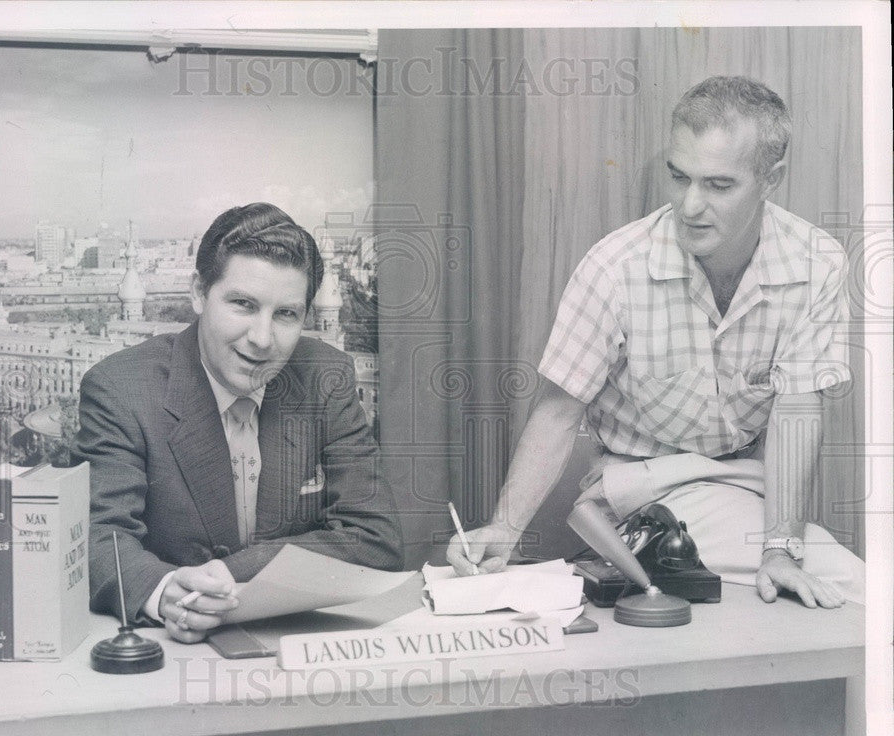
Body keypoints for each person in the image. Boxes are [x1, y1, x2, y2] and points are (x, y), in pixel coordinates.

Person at [447, 76, 865, 608]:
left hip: (738, 482)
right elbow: (558, 412)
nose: (691, 205)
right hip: (634, 488)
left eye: (718, 185)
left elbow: (796, 411)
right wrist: (502, 533)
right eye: (679, 176)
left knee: (796, 593)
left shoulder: (817, 263)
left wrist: (781, 547)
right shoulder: (614, 266)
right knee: (853, 588)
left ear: (771, 178)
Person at [76, 203, 402, 643]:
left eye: (286, 314)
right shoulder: (120, 388)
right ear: (198, 293)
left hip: (297, 648)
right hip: (169, 651)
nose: (263, 340)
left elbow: (375, 538)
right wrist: (166, 591)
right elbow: (99, 539)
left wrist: (225, 574)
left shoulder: (328, 378)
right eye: (243, 305)